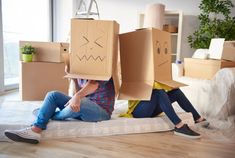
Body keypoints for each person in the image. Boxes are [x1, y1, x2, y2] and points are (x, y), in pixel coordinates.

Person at [4, 77, 115, 144]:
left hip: (101, 110)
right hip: (83, 105)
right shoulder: (80, 67)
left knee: (81, 102)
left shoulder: (102, 66)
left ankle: (44, 120)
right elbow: (78, 91)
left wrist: (77, 96)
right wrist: (73, 77)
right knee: (53, 95)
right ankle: (37, 128)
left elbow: (93, 85)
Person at [120, 82, 209, 139]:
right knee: (159, 92)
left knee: (176, 92)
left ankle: (197, 118)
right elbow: (152, 85)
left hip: (152, 106)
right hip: (139, 110)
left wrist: (171, 85)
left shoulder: (152, 68)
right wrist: (168, 85)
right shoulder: (135, 71)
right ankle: (179, 126)